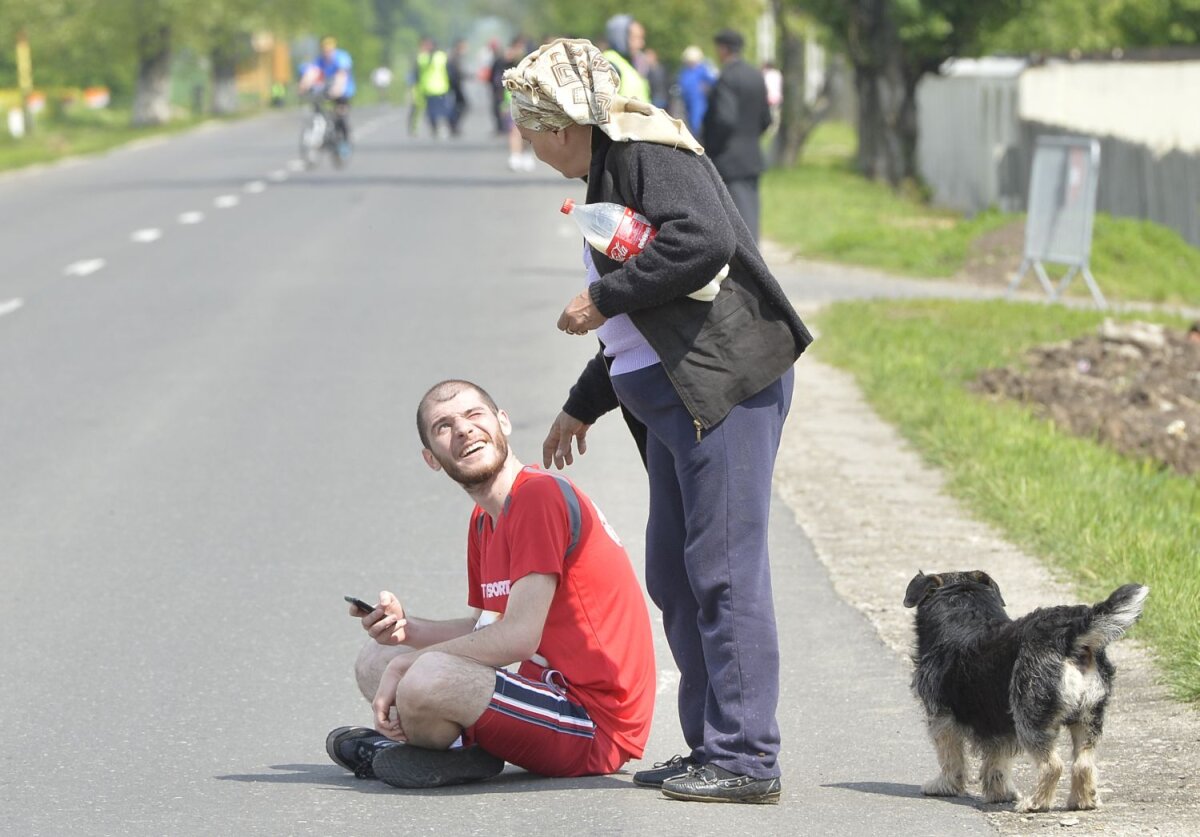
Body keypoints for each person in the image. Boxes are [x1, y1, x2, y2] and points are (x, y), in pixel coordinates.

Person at [504, 39, 812, 804]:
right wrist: (585, 400)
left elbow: (701, 239)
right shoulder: (608, 170)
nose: (527, 140)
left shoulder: (644, 151)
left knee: (723, 571)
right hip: (675, 400)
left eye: (530, 125)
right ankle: (713, 743)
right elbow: (645, 326)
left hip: (724, 391)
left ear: (564, 124)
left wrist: (602, 296)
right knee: (677, 573)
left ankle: (746, 755)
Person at [326, 380, 657, 789]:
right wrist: (409, 633)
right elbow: (489, 629)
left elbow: (517, 638)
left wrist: (413, 662)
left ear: (503, 422)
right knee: (376, 657)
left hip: (593, 724)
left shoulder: (538, 496)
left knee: (426, 675)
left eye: (473, 414)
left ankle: (433, 752)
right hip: (543, 697)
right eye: (444, 427)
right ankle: (457, 753)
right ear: (432, 459)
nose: (463, 430)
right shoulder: (484, 520)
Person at [701, 29, 772, 242]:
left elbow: (725, 119)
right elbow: (766, 119)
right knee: (751, 211)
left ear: (723, 49)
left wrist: (711, 146)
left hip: (728, 158)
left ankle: (744, 264)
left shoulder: (727, 78)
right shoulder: (756, 75)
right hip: (752, 156)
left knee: (736, 216)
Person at [298, 36, 356, 154]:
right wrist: (303, 86)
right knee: (318, 108)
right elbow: (311, 73)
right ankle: (321, 132)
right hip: (327, 88)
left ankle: (344, 141)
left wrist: (336, 90)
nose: (327, 53)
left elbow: (342, 75)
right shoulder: (319, 60)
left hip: (344, 90)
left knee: (341, 114)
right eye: (325, 50)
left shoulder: (341, 58)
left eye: (329, 50)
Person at [603, 15, 650, 101]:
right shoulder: (609, 65)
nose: (642, 44)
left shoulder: (626, 62)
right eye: (636, 38)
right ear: (620, 38)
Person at [415, 37, 452, 138]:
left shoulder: (423, 57)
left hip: (433, 88)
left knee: (435, 111)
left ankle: (437, 127)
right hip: (437, 88)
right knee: (437, 110)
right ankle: (438, 127)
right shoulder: (441, 56)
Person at [677, 45, 717, 137]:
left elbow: (714, 82)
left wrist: (707, 88)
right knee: (689, 125)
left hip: (699, 102)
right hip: (686, 103)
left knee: (697, 125)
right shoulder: (684, 71)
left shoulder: (703, 69)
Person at [447, 39, 469, 137]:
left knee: (458, 105)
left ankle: (453, 124)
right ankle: (453, 123)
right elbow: (457, 73)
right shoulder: (454, 57)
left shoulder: (455, 56)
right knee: (462, 105)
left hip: (455, 84)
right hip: (455, 85)